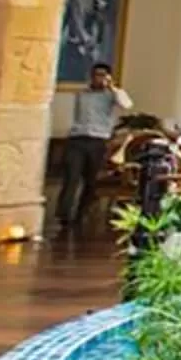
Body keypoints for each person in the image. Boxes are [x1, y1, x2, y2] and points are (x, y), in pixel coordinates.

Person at [55, 63, 132, 233]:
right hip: (77, 139)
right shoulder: (82, 94)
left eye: (103, 75)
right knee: (71, 177)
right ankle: (64, 215)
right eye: (96, 74)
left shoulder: (111, 96)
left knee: (91, 181)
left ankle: (80, 214)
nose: (99, 77)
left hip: (98, 141)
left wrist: (111, 87)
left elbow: (127, 104)